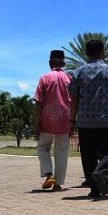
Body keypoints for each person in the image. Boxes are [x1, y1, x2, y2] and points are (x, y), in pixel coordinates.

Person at [69, 39, 108, 198]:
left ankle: (95, 189)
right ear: (103, 53)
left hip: (85, 122)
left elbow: (74, 99)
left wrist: (71, 121)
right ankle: (101, 173)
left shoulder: (78, 72)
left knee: (88, 155)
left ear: (87, 54)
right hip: (106, 120)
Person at [33, 50, 72, 191]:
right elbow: (75, 101)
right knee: (62, 152)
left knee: (42, 147)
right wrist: (74, 121)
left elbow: (38, 102)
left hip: (47, 120)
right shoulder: (69, 79)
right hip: (65, 120)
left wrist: (36, 123)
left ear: (50, 63)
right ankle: (58, 184)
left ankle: (49, 175)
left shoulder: (45, 78)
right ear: (64, 63)